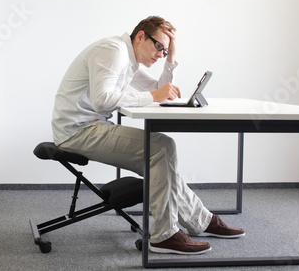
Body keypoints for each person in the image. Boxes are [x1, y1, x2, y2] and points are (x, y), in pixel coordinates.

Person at [52, 16, 245, 255]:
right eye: (159, 47)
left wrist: (171, 62)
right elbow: (103, 101)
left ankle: (199, 220)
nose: (160, 54)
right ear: (141, 36)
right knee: (161, 148)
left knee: (161, 154)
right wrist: (154, 96)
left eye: (164, 51)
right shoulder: (113, 52)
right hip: (77, 132)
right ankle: (165, 235)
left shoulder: (128, 59)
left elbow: (158, 90)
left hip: (90, 126)